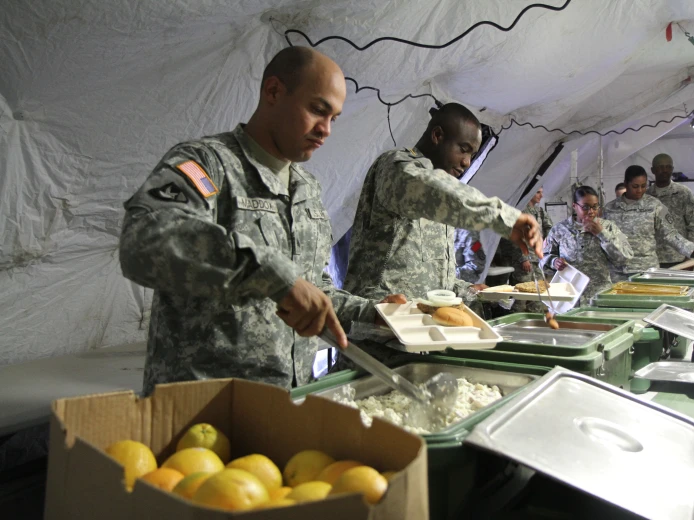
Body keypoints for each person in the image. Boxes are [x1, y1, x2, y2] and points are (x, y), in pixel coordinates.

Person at [119, 47, 402, 396]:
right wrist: (266, 270)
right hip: (206, 404)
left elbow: (311, 288)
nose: (326, 129)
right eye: (317, 110)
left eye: (334, 118)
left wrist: (374, 313)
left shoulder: (306, 188)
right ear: (273, 92)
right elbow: (144, 241)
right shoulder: (207, 165)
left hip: (287, 400)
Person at [340, 103, 543, 365]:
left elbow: (429, 278)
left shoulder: (442, 199)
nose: (467, 162)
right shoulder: (397, 168)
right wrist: (503, 217)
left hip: (424, 342)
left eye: (472, 154)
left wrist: (469, 291)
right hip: (378, 342)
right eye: (464, 149)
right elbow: (429, 189)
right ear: (437, 136)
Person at [602, 166, 694, 282]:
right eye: (635, 186)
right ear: (625, 184)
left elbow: (671, 234)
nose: (639, 190)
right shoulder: (609, 209)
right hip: (617, 273)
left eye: (643, 186)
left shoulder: (656, 205)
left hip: (645, 271)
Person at [543, 186, 633, 303]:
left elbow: (625, 257)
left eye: (595, 207)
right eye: (585, 207)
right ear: (575, 206)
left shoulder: (609, 227)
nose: (591, 211)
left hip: (599, 296)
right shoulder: (559, 229)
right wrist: (553, 262)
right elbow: (543, 258)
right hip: (569, 297)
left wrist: (602, 234)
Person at [493, 187, 553, 311]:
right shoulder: (518, 211)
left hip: (537, 260)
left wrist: (546, 246)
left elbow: (550, 229)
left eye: (542, 192)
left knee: (537, 294)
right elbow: (511, 238)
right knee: (521, 295)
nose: (541, 195)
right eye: (537, 192)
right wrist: (523, 258)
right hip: (522, 260)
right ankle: (515, 318)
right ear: (530, 193)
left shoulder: (539, 211)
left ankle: (535, 320)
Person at [646, 154, 694, 268]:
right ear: (653, 170)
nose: (664, 170)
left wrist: (691, 257)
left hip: (680, 257)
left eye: (668, 167)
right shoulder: (647, 195)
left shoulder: (683, 193)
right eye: (660, 167)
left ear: (672, 169)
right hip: (653, 259)